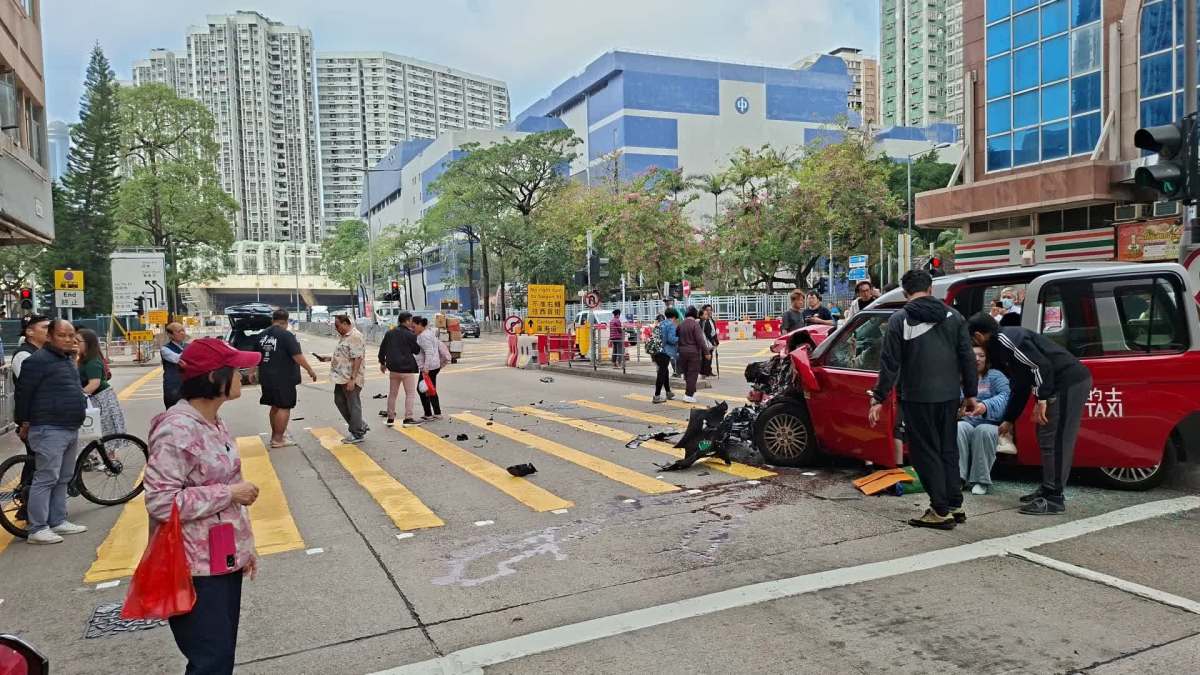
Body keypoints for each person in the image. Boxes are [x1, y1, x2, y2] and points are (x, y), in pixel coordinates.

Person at [143, 338, 262, 674]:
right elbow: (161, 502)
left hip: (221, 558)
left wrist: (244, 548)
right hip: (194, 567)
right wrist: (230, 493)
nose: (242, 376)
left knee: (220, 657)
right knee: (211, 661)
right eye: (235, 370)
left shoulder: (212, 421)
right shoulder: (176, 430)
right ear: (213, 377)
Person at [870, 270, 977, 530]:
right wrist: (971, 393)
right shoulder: (954, 316)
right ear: (930, 289)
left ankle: (939, 510)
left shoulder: (900, 319)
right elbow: (968, 356)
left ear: (905, 292)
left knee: (925, 452)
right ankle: (954, 504)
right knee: (947, 449)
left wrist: (879, 397)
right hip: (949, 396)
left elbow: (890, 363)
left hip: (917, 397)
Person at [967, 313, 1092, 515]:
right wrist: (1009, 419)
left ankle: (1054, 498)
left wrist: (1043, 398)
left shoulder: (1006, 339)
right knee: (1045, 437)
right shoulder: (1002, 346)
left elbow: (1041, 366)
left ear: (979, 336)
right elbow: (1021, 384)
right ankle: (1048, 488)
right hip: (1056, 385)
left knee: (1055, 439)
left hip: (1067, 383)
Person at [14, 320, 88, 545]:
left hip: (69, 426)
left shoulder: (66, 359)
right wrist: (23, 422)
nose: (68, 339)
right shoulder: (37, 361)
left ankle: (57, 520)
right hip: (48, 427)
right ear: (49, 336)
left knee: (63, 477)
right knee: (46, 477)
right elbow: (23, 394)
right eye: (62, 335)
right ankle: (37, 528)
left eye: (71, 335)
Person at [257, 310, 318, 449]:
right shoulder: (286, 335)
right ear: (286, 321)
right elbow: (297, 356)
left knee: (274, 406)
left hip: (266, 376)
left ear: (273, 320)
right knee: (284, 406)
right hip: (283, 377)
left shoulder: (262, 335)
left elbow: (257, 355)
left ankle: (276, 436)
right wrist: (310, 369)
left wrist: (252, 371)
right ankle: (278, 439)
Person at [956, 346, 1011, 495]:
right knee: (958, 428)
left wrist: (985, 406)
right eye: (973, 355)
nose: (977, 359)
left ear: (987, 359)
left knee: (983, 430)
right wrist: (959, 411)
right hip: (968, 421)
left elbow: (1006, 396)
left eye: (981, 355)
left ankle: (981, 480)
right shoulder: (961, 378)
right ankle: (958, 478)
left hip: (991, 422)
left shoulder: (995, 376)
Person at [315, 315, 368, 443]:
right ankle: (359, 424)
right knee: (339, 400)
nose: (336, 329)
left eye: (337, 326)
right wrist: (328, 358)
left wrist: (352, 379)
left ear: (345, 323)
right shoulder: (345, 337)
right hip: (340, 377)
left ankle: (357, 433)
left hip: (350, 377)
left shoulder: (355, 336)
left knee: (353, 404)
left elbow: (357, 358)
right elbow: (344, 355)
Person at [77, 327, 127, 444]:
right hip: (94, 399)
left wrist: (77, 397)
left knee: (104, 434)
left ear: (88, 343)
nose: (74, 344)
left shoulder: (92, 361)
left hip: (101, 400)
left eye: (77, 341)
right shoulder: (82, 359)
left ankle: (109, 455)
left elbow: (94, 384)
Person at [379, 311, 422, 426]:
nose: (412, 323)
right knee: (410, 394)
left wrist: (382, 363)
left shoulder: (389, 333)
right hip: (407, 369)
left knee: (392, 394)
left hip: (393, 369)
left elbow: (382, 349)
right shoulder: (410, 334)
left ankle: (390, 418)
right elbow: (416, 350)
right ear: (407, 321)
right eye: (411, 321)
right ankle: (408, 418)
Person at [413, 316, 448, 421]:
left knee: (422, 389)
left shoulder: (423, 336)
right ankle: (435, 413)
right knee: (430, 388)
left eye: (414, 326)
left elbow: (429, 352)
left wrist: (426, 367)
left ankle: (430, 413)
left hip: (429, 367)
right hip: (434, 365)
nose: (413, 329)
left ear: (420, 325)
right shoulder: (428, 333)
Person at [676, 306, 709, 403]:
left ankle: (692, 392)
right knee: (692, 375)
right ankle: (688, 395)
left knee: (687, 374)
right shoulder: (695, 324)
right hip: (693, 353)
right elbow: (700, 340)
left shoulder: (681, 324)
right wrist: (706, 352)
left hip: (682, 352)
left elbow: (676, 336)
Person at [651, 309, 680, 403]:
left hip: (656, 351)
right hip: (665, 352)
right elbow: (671, 339)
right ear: (674, 317)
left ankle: (668, 392)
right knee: (662, 373)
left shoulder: (661, 323)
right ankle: (657, 396)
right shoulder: (671, 325)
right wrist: (680, 338)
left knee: (664, 372)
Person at [160, 322, 191, 409]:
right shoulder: (165, 349)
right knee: (174, 411)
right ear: (170, 335)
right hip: (173, 387)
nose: (182, 333)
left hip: (189, 386)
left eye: (183, 330)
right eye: (178, 331)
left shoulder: (189, 346)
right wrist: (192, 351)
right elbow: (177, 358)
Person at [699, 304, 719, 378]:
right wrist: (712, 342)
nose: (709, 311)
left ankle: (708, 371)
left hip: (711, 341)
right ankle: (704, 373)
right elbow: (707, 333)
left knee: (710, 357)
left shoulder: (711, 320)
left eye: (710, 310)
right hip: (707, 342)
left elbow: (713, 331)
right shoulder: (703, 321)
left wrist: (716, 341)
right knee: (706, 357)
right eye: (707, 310)